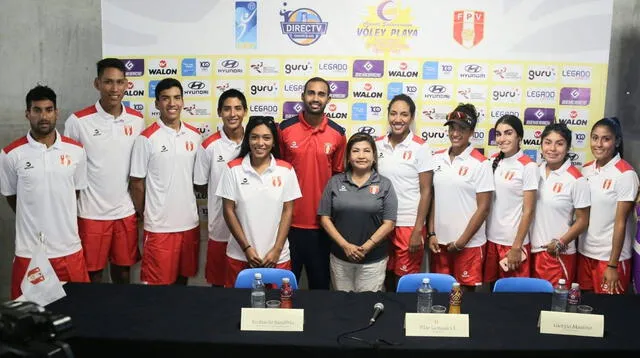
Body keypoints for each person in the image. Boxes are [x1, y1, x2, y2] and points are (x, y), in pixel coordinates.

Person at [0, 85, 90, 299]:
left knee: (80, 312)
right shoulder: (11, 154)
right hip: (30, 253)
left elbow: (74, 193)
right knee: (29, 318)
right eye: (37, 110)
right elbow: (12, 197)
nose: (43, 116)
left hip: (68, 248)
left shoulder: (76, 151)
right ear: (27, 113)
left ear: (56, 112)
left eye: (49, 109)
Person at [64, 58, 144, 284]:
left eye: (120, 82)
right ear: (97, 83)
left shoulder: (137, 120)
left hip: (125, 212)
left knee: (124, 273)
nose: (115, 89)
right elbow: (67, 171)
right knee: (92, 275)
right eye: (108, 82)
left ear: (127, 84)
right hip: (90, 213)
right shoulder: (78, 121)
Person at [129, 78, 202, 285]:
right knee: (157, 288)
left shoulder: (195, 135)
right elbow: (136, 182)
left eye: (177, 98)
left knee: (182, 280)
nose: (172, 103)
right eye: (166, 98)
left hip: (189, 224)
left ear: (183, 101)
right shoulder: (146, 138)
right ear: (157, 103)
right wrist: (145, 212)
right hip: (159, 227)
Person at [216, 116, 301, 287]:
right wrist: (247, 248)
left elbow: (288, 212)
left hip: (277, 257)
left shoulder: (286, 170)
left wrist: (277, 250)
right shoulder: (233, 169)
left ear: (274, 142)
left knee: (277, 309)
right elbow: (228, 211)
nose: (260, 143)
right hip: (240, 255)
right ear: (248, 140)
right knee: (238, 309)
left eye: (266, 137)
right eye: (254, 137)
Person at [279, 77, 346, 290]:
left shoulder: (338, 134)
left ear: (328, 99)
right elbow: (278, 173)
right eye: (311, 93)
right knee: (285, 288)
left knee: (320, 288)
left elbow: (338, 177)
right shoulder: (284, 129)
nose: (315, 98)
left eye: (321, 94)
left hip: (322, 226)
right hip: (288, 224)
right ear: (303, 96)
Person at [318, 133, 397, 292]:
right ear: (348, 156)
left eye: (366, 151)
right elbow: (324, 218)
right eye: (356, 151)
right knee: (342, 306)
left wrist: (367, 247)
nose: (361, 156)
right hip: (341, 259)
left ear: (374, 156)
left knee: (366, 307)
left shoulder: (385, 184)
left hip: (373, 261)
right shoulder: (335, 182)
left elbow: (389, 224)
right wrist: (345, 246)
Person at [428, 104, 494, 291]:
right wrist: (432, 233)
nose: (455, 133)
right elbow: (434, 199)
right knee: (440, 297)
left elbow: (484, 208)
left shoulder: (481, 164)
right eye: (452, 128)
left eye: (462, 129)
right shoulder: (437, 158)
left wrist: (462, 241)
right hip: (440, 245)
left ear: (471, 132)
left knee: (463, 301)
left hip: (468, 246)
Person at [375, 94, 433, 292]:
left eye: (404, 114)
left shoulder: (420, 147)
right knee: (386, 274)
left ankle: (404, 317)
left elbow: (426, 191)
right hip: (382, 223)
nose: (397, 119)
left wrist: (418, 229)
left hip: (408, 223)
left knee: (405, 279)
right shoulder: (377, 144)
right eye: (393, 113)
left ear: (412, 117)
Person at [578, 118, 638, 294]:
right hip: (585, 253)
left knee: (610, 313)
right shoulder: (586, 170)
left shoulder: (626, 174)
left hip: (610, 259)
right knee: (584, 311)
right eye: (595, 138)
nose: (599, 144)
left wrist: (612, 265)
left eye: (606, 139)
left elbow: (621, 222)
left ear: (617, 141)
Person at [194, 89, 247, 287]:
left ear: (245, 111)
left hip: (250, 229)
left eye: (237, 108)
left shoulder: (255, 142)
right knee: (218, 285)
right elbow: (200, 183)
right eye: (227, 109)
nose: (232, 114)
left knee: (246, 285)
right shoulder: (208, 145)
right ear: (219, 112)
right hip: (220, 229)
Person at [529, 123, 590, 286]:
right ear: (541, 145)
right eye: (548, 142)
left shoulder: (576, 180)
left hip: (556, 255)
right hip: (531, 251)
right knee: (531, 304)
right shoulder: (535, 171)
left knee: (553, 306)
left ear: (568, 147)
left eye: (559, 143)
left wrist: (560, 243)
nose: (553, 148)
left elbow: (583, 220)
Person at [484, 115, 538, 287]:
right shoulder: (492, 161)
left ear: (519, 137)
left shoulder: (528, 166)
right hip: (491, 240)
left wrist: (516, 246)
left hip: (513, 243)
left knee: (513, 297)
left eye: (508, 133)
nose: (502, 138)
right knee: (492, 294)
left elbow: (528, 210)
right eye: (498, 134)